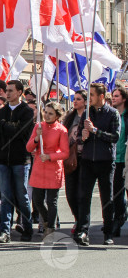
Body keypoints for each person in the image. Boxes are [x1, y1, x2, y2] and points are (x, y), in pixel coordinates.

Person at [77, 83, 120, 246]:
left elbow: (115, 137)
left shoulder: (113, 114)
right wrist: (83, 135)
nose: (90, 99)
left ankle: (108, 232)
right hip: (88, 160)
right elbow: (80, 138)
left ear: (101, 96)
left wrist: (95, 131)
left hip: (105, 161)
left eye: (92, 95)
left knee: (107, 198)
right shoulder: (87, 113)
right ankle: (83, 230)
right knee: (83, 197)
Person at [0, 80, 35, 243]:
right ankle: (4, 229)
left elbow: (21, 132)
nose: (7, 93)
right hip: (3, 160)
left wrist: (1, 124)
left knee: (21, 195)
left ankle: (27, 226)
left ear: (19, 93)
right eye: (7, 91)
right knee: (5, 195)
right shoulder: (1, 113)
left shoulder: (26, 112)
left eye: (11, 91)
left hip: (20, 160)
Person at [25, 102, 69, 238]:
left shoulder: (61, 130)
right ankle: (47, 220)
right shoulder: (38, 126)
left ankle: (50, 227)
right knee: (37, 200)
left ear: (57, 115)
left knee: (52, 201)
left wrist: (50, 156)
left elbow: (65, 152)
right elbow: (28, 148)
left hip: (53, 167)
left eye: (51, 113)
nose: (47, 115)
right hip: (39, 167)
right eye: (46, 112)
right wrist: (37, 137)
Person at [62, 90, 87, 239]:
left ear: (85, 101)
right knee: (70, 193)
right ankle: (77, 217)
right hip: (71, 158)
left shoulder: (89, 116)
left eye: (78, 99)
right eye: (74, 99)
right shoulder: (70, 117)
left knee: (82, 193)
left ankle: (82, 223)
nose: (75, 101)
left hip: (85, 157)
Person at [111, 86, 128, 237]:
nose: (114, 98)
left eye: (117, 96)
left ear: (123, 98)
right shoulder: (112, 114)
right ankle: (119, 217)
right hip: (115, 158)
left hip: (127, 159)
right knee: (116, 192)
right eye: (113, 96)